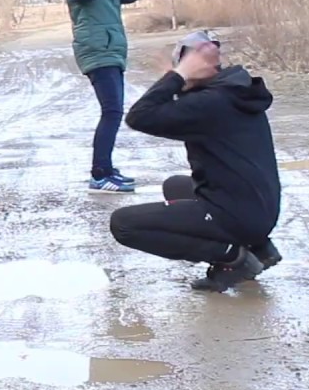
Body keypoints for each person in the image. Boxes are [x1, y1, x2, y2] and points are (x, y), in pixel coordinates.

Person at [109, 30, 284, 292]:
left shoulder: (209, 103)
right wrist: (180, 78)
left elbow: (140, 117)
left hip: (238, 216)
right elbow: (178, 109)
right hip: (257, 209)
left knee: (123, 224)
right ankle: (260, 248)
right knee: (175, 186)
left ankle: (232, 257)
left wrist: (178, 76)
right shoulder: (233, 92)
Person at [58, 0, 141, 193]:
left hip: (111, 49)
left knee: (114, 111)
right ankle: (99, 174)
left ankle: (106, 169)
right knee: (112, 111)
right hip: (96, 50)